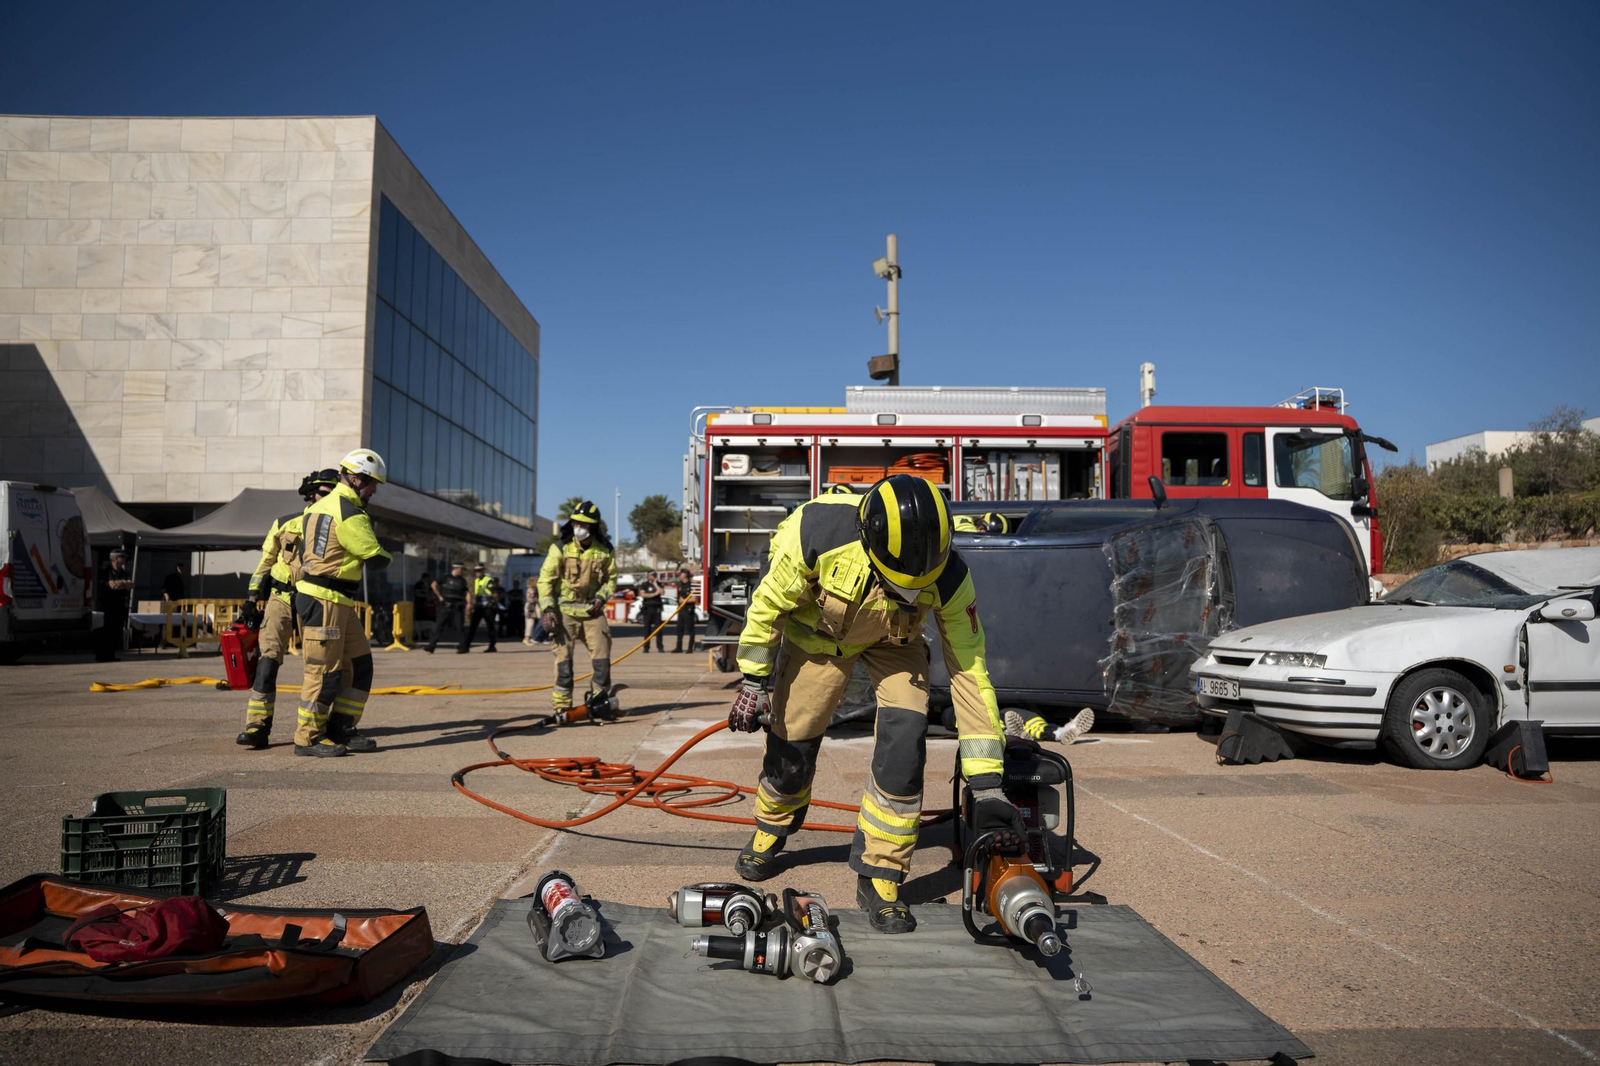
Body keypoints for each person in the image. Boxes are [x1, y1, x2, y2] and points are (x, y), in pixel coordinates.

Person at [725, 475, 1022, 935]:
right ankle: (771, 828)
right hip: (817, 638)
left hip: (894, 643)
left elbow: (969, 668)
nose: (908, 593)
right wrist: (754, 679)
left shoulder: (950, 573)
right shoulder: (814, 534)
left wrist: (986, 781)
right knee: (792, 739)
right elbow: (766, 607)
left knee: (906, 740)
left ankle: (881, 875)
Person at [292, 449, 392, 758]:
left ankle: (341, 727)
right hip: (325, 599)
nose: (374, 490)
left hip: (336, 599)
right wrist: (388, 555)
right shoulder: (348, 511)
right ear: (355, 478)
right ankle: (307, 738)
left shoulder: (321, 506)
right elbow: (375, 557)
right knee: (324, 672)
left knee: (360, 664)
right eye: (372, 483)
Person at [235, 469, 338, 749]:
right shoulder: (284, 523)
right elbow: (266, 561)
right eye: (323, 493)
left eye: (332, 493)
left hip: (316, 601)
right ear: (310, 494)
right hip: (280, 598)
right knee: (267, 662)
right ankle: (257, 725)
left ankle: (315, 728)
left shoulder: (338, 526)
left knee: (318, 667)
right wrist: (251, 597)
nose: (327, 498)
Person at [536, 501, 616, 713]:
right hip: (565, 612)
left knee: (602, 661)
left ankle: (599, 702)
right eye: (576, 523)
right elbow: (545, 580)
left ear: (593, 527)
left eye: (584, 524)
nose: (578, 528)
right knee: (564, 664)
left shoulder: (605, 550)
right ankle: (562, 707)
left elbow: (612, 579)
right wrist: (548, 609)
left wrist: (601, 598)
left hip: (593, 611)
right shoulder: (560, 548)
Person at [95, 548, 134, 662]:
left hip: (120, 605)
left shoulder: (123, 573)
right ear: (116, 558)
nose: (125, 559)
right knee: (106, 631)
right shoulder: (106, 571)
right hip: (108, 605)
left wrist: (121, 583)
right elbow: (112, 586)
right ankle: (102, 656)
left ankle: (111, 655)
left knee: (116, 632)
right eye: (123, 557)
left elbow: (131, 584)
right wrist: (124, 583)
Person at [426, 562, 469, 653]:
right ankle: (431, 646)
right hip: (446, 605)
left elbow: (467, 592)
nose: (462, 571)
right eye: (461, 569)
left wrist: (468, 603)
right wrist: (439, 596)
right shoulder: (444, 577)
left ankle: (463, 647)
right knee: (439, 626)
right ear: (456, 568)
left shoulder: (462, 580)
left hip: (457, 606)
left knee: (459, 627)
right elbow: (433, 585)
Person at [462, 563, 498, 652]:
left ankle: (492, 646)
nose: (477, 573)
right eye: (476, 571)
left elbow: (495, 594)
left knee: (490, 626)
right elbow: (476, 594)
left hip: (488, 606)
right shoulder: (476, 580)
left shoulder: (488, 580)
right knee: (473, 626)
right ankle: (466, 646)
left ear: (483, 571)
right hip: (479, 606)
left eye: (479, 571)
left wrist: (495, 604)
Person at [636, 574, 664, 652]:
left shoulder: (659, 584)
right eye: (651, 575)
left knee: (658, 629)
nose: (652, 577)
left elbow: (662, 592)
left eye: (654, 575)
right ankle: (646, 647)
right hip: (648, 609)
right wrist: (654, 594)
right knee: (647, 629)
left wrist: (655, 584)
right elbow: (643, 594)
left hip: (657, 609)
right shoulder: (644, 585)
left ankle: (660, 647)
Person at [672, 568, 697, 653]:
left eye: (681, 574)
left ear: (685, 575)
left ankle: (690, 648)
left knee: (690, 629)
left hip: (688, 610)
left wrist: (684, 601)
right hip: (681, 610)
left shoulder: (691, 585)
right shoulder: (680, 585)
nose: (679, 576)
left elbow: (694, 599)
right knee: (679, 628)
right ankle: (678, 647)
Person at [523, 579, 541, 644]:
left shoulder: (532, 589)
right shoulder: (531, 590)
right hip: (530, 607)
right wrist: (538, 600)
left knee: (531, 623)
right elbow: (530, 598)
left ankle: (528, 638)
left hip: (532, 606)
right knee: (530, 623)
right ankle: (526, 638)